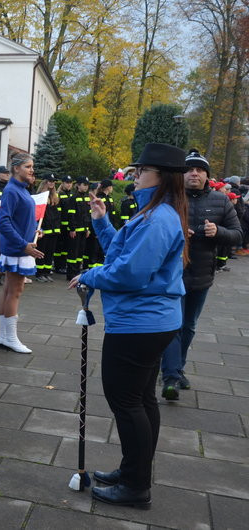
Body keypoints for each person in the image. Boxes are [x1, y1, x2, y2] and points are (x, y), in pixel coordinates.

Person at [70, 143, 188, 509]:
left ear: (161, 177)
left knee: (126, 401)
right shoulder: (153, 213)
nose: (134, 176)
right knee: (141, 399)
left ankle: (136, 486)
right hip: (148, 321)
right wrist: (101, 222)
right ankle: (134, 471)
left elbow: (129, 274)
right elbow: (122, 256)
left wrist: (89, 275)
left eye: (141, 171)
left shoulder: (156, 219)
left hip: (140, 324)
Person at [159, 150, 242, 400]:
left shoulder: (221, 201)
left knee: (189, 326)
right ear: (181, 174)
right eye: (189, 169)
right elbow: (150, 228)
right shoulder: (168, 198)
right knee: (173, 325)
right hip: (173, 274)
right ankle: (171, 377)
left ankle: (178, 368)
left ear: (207, 175)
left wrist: (218, 232)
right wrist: (176, 232)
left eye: (199, 170)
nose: (194, 173)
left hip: (203, 276)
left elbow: (238, 234)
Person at [0, 154, 43, 354]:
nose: (32, 170)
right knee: (14, 291)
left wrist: (34, 230)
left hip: (19, 246)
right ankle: (10, 337)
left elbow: (20, 219)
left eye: (32, 166)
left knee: (9, 290)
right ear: (16, 168)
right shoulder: (12, 190)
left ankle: (4, 336)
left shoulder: (21, 189)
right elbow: (3, 222)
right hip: (17, 248)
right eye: (28, 166)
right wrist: (24, 245)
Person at [34, 176, 60, 282]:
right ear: (45, 182)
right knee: (41, 252)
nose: (52, 183)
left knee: (50, 253)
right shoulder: (40, 196)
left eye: (53, 181)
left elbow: (57, 215)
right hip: (44, 230)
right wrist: (40, 228)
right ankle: (39, 273)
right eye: (50, 181)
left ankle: (47, 272)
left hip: (53, 230)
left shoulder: (55, 197)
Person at [65, 176, 90, 280]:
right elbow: (71, 214)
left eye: (87, 185)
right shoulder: (73, 198)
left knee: (80, 253)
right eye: (84, 185)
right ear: (78, 185)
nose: (86, 187)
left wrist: (87, 228)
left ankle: (77, 272)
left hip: (84, 230)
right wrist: (72, 228)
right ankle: (71, 274)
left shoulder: (87, 197)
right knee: (73, 253)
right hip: (75, 230)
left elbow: (88, 214)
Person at [54, 175, 74, 275]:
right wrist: (57, 226)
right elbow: (57, 212)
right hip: (61, 225)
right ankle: (58, 266)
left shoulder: (72, 194)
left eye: (70, 183)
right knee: (59, 247)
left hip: (69, 226)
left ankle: (63, 265)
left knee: (66, 247)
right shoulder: (59, 194)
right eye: (67, 183)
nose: (69, 185)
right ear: (62, 183)